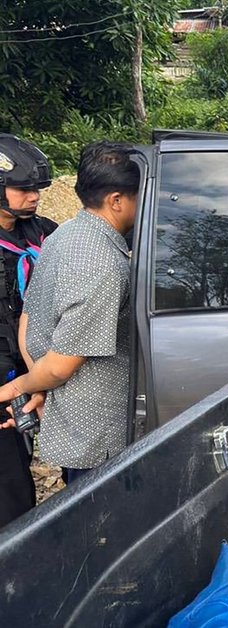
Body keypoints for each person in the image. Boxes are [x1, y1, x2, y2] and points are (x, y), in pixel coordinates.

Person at [0, 141, 140, 485]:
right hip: (94, 433)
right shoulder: (100, 261)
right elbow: (63, 363)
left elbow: (27, 319)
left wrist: (39, 381)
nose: (33, 196)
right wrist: (22, 385)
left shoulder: (62, 234)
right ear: (117, 200)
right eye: (141, 195)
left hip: (71, 415)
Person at [0, 135, 56, 526]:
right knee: (11, 486)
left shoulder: (43, 232)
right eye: (23, 189)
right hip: (6, 377)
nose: (33, 196)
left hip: (38, 368)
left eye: (36, 189)